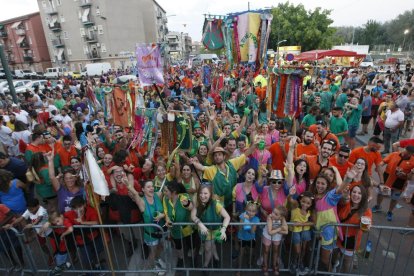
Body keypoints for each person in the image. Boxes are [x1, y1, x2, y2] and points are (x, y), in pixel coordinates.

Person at [311, 168, 351, 272]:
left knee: (324, 260)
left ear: (327, 186)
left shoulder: (329, 197)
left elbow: (339, 188)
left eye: (323, 184)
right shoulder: (314, 197)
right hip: (319, 232)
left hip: (328, 234)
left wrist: (348, 179)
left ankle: (330, 272)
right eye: (318, 183)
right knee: (324, 256)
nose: (320, 185)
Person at [190, 183, 231, 271]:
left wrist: (223, 229)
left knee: (208, 248)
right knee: (210, 245)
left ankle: (205, 266)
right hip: (206, 231)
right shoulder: (198, 203)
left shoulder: (216, 204)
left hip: (216, 229)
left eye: (205, 193)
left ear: (210, 194)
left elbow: (227, 217)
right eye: (200, 193)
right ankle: (216, 258)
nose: (202, 196)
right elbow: (193, 216)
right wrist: (201, 224)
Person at [128, 180, 166, 270]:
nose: (151, 188)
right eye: (148, 187)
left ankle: (157, 259)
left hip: (161, 231)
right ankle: (152, 267)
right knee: (152, 252)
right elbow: (135, 194)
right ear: (143, 190)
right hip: (150, 234)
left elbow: (166, 209)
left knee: (161, 247)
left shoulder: (158, 195)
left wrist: (163, 215)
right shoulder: (142, 202)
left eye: (152, 186)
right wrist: (127, 184)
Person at [372, 146, 414, 221]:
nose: (405, 154)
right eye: (405, 152)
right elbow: (384, 161)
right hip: (387, 178)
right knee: (381, 193)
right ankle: (378, 206)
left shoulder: (413, 161)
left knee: (394, 198)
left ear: (411, 154)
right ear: (404, 149)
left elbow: (411, 177)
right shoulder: (394, 154)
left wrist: (405, 175)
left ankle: (390, 212)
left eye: (408, 154)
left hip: (399, 182)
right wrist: (380, 165)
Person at [336, 185, 372, 273]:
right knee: (336, 256)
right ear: (350, 193)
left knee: (347, 261)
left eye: (359, 193)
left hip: (350, 240)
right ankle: (333, 269)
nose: (356, 195)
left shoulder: (366, 210)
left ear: (363, 196)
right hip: (337, 236)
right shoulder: (345, 204)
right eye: (354, 192)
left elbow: (366, 229)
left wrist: (366, 228)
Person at [163, 181, 198, 268]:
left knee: (191, 245)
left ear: (174, 192)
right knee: (178, 246)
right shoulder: (165, 199)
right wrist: (167, 220)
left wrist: (187, 204)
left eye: (166, 191)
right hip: (175, 230)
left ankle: (193, 260)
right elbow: (166, 212)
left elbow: (191, 208)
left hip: (188, 228)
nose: (165, 193)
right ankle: (181, 259)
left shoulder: (183, 197)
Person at [288, 191, 315, 274]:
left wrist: (301, 224)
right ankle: (294, 262)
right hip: (295, 231)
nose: (305, 204)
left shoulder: (310, 211)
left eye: (308, 203)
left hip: (305, 231)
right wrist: (290, 194)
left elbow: (313, 222)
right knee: (297, 250)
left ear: (311, 204)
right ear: (300, 200)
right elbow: (290, 200)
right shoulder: (295, 205)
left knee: (303, 248)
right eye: (303, 201)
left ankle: (300, 262)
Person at [261, 205, 288, 276]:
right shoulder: (269, 217)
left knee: (276, 250)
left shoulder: (282, 219)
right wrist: (279, 229)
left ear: (281, 217)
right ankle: (265, 266)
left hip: (277, 236)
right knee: (266, 251)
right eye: (273, 212)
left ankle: (274, 266)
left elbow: (286, 231)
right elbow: (269, 232)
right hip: (267, 235)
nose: (272, 214)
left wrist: (276, 230)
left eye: (276, 214)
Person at [236, 201, 260, 275]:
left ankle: (250, 262)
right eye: (249, 210)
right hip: (242, 238)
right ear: (246, 209)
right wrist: (243, 219)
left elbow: (252, 231)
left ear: (256, 212)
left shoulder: (256, 219)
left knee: (251, 252)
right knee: (241, 253)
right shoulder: (242, 216)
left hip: (251, 238)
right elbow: (240, 228)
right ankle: (239, 269)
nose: (251, 213)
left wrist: (248, 221)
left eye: (253, 211)